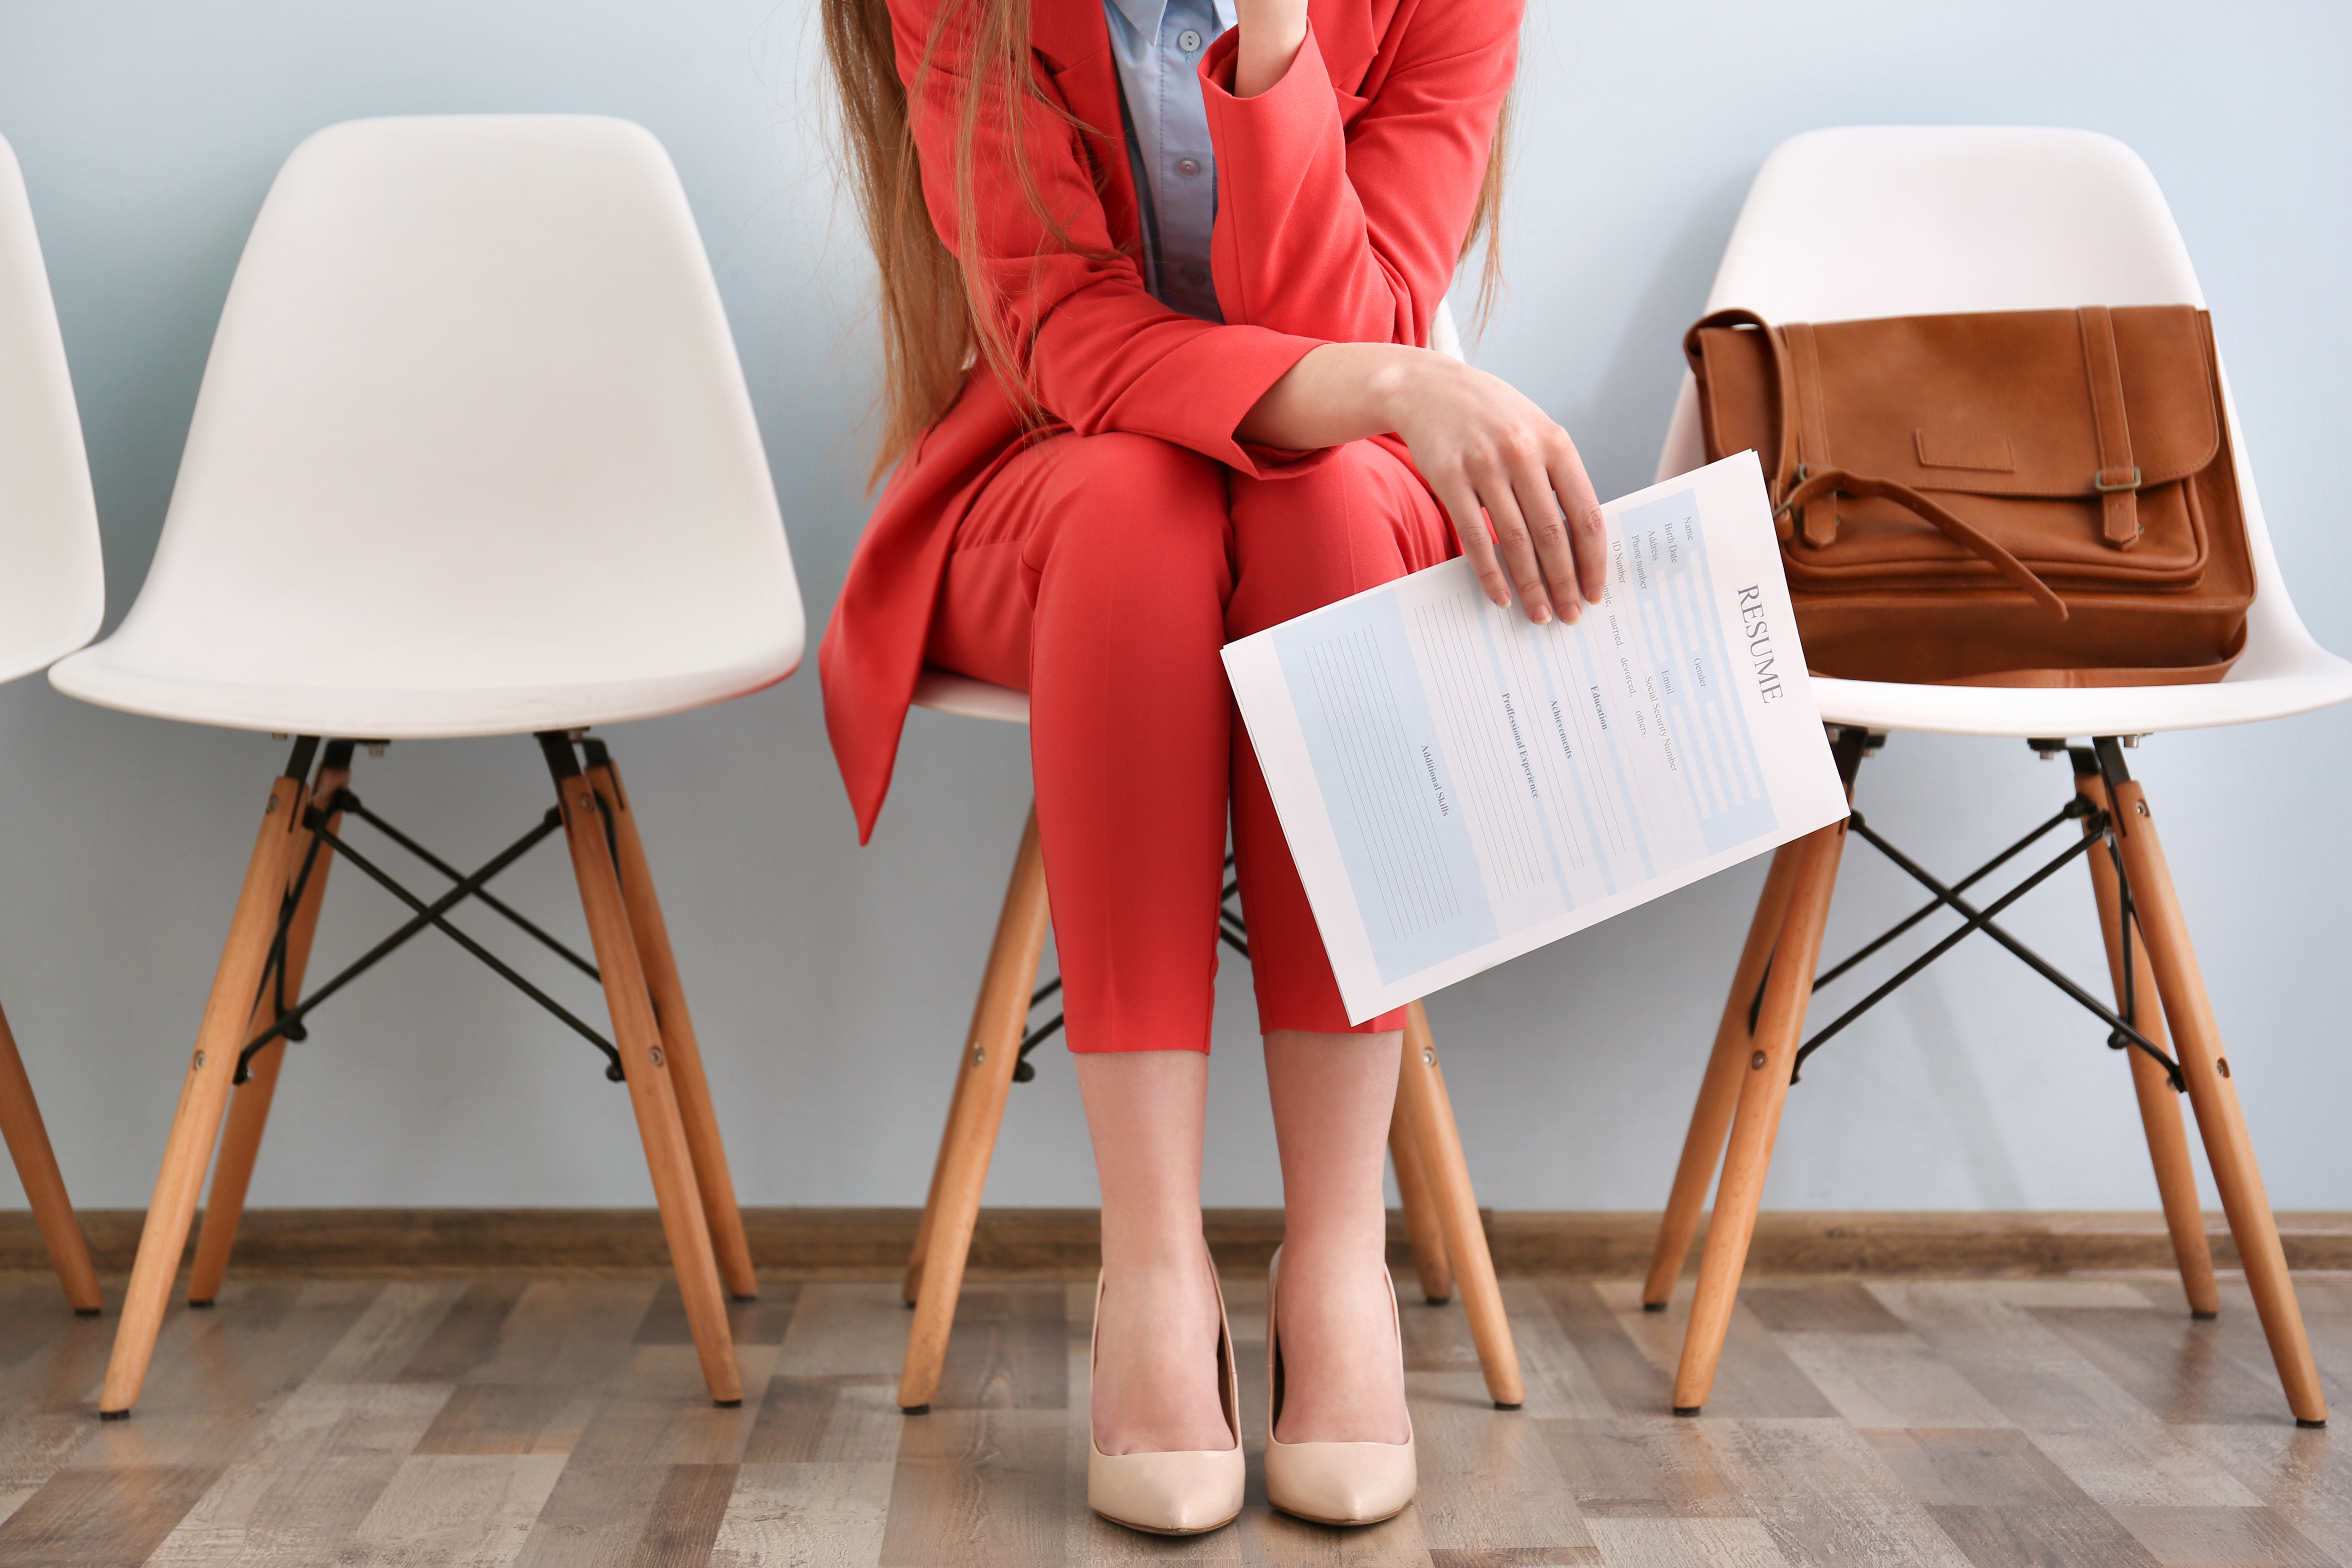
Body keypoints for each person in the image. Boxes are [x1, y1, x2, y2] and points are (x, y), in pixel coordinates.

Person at [819, 0, 1606, 1533]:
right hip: (1050, 480)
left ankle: (1334, 1255)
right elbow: (1066, 339)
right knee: (1139, 506)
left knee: (1318, 520)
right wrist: (1385, 391)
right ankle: (1153, 1264)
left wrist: (1272, 38)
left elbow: (1359, 313)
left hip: (1338, 513)